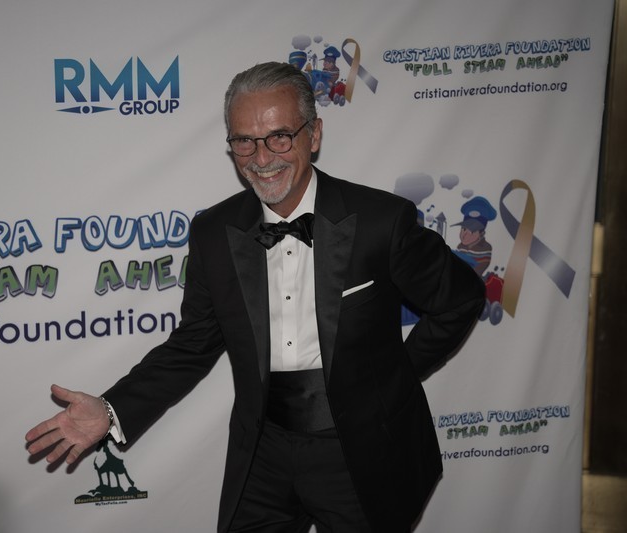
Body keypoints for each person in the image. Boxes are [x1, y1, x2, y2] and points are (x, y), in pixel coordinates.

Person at [26, 61, 485, 532]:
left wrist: (395, 377)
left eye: (279, 137)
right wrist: (111, 409)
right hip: (264, 452)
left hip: (363, 450)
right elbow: (193, 343)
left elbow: (460, 299)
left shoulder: (380, 221)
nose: (261, 158)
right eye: (244, 141)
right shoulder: (214, 232)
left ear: (314, 135)